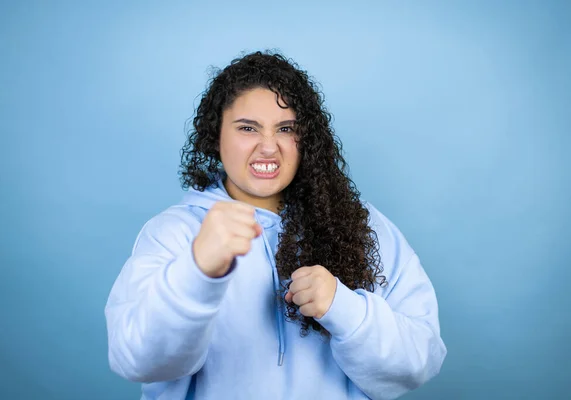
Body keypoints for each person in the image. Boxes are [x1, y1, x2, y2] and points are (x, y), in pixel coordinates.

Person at [105, 50, 447, 400]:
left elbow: (421, 359)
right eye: (247, 128)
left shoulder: (362, 225)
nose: (268, 147)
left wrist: (344, 308)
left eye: (286, 129)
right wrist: (197, 272)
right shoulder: (175, 233)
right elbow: (136, 361)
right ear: (215, 135)